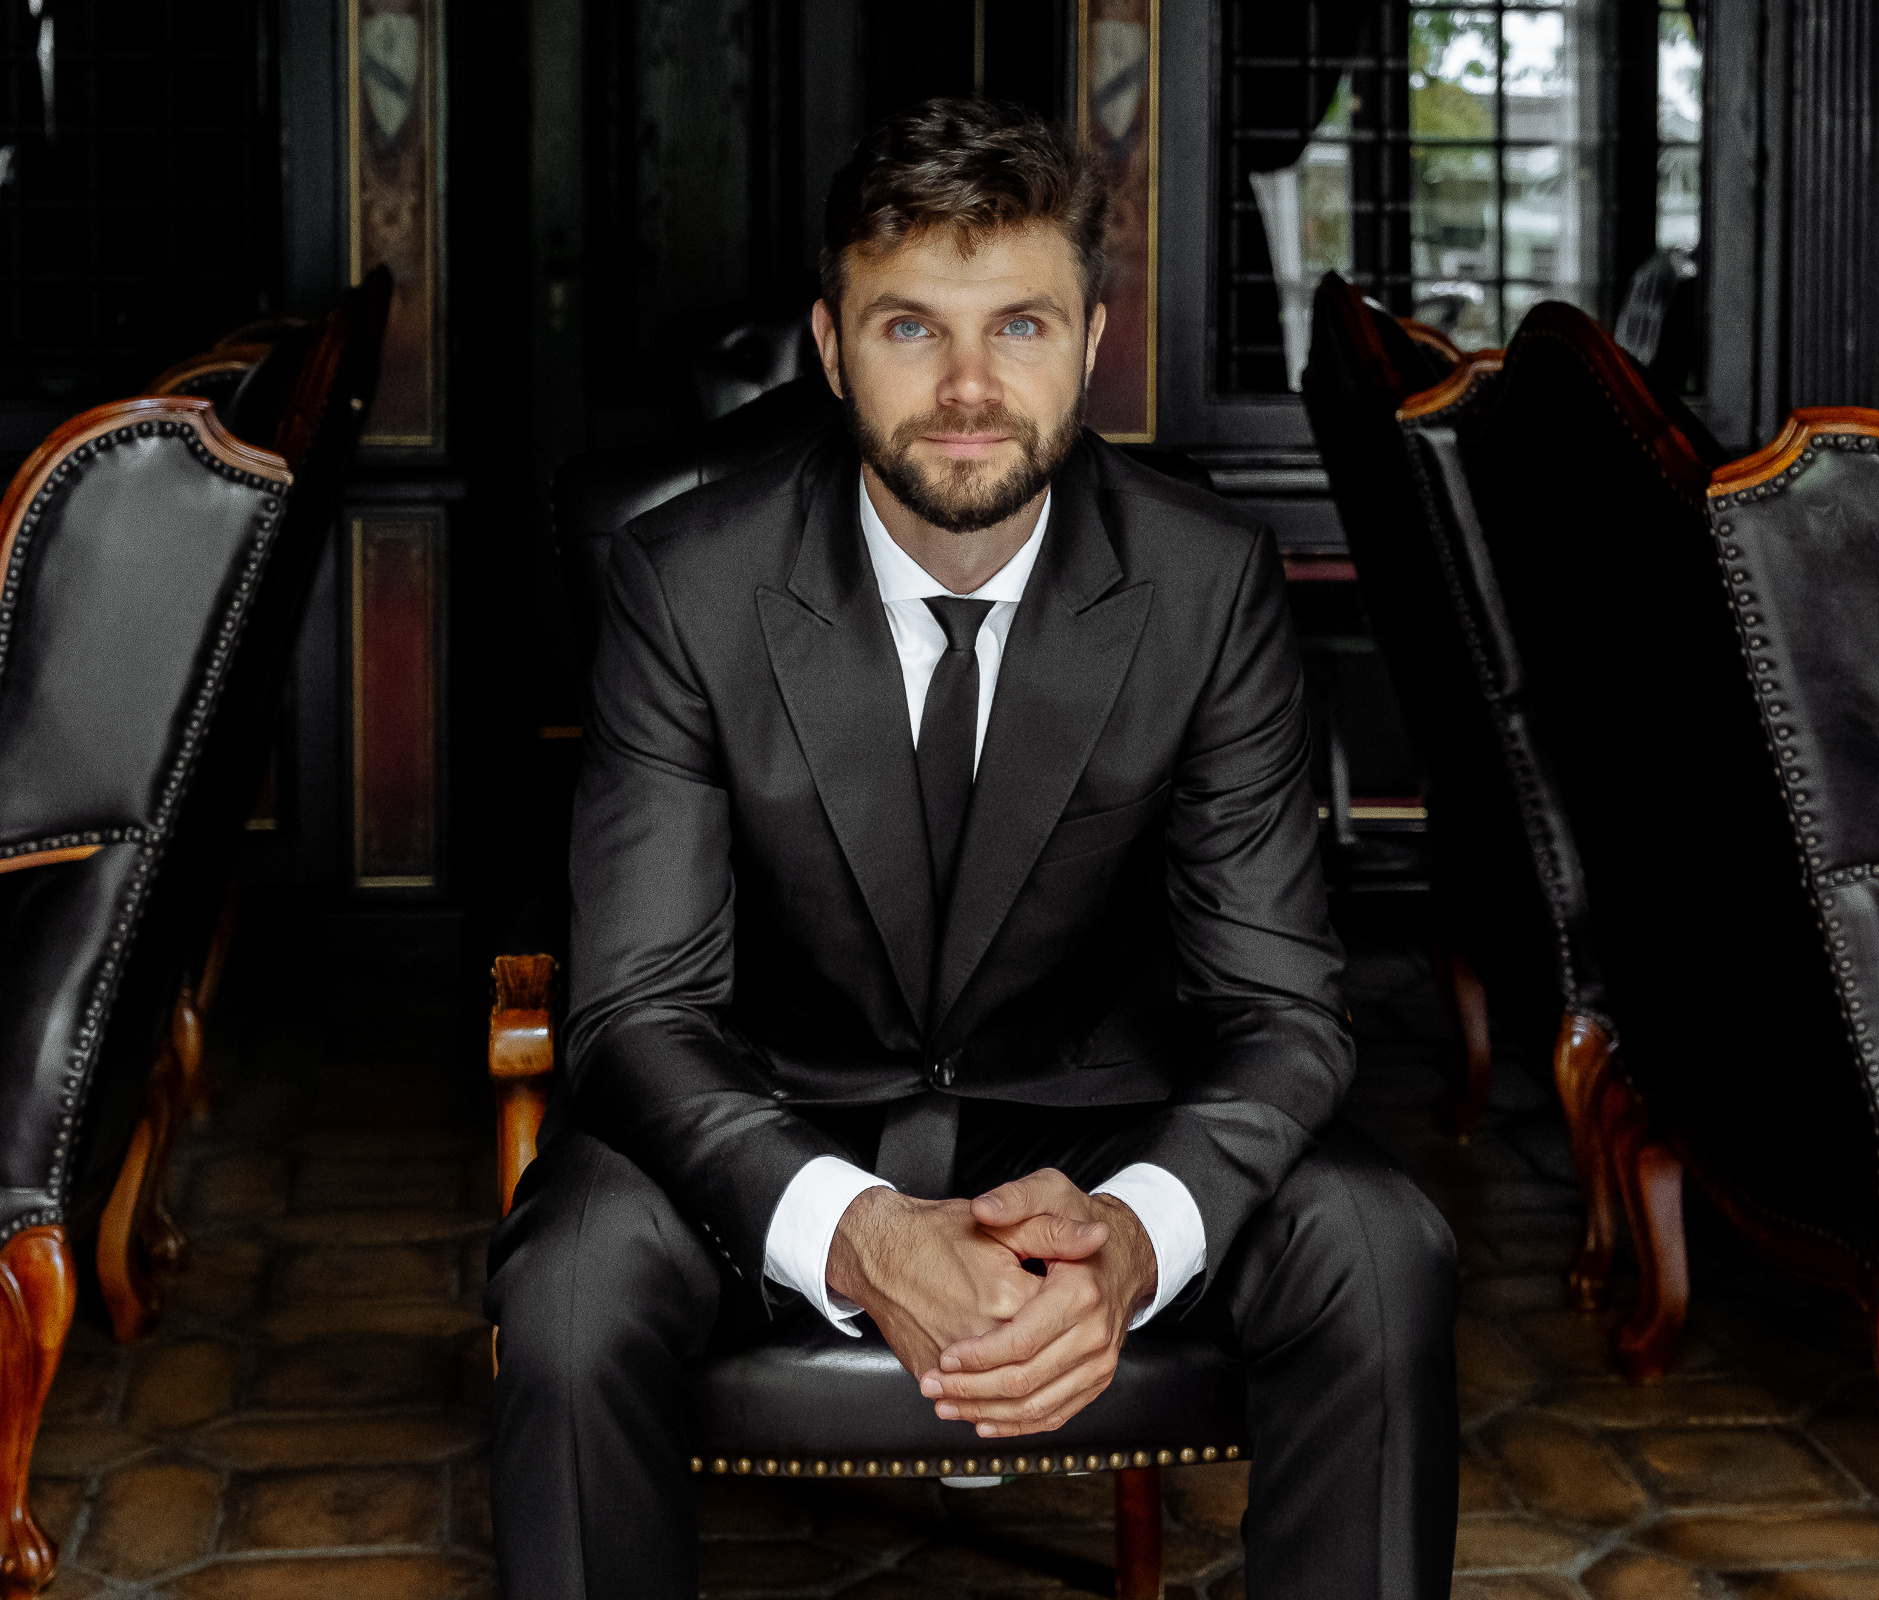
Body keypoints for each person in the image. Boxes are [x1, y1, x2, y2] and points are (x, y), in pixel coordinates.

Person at [485, 99, 1457, 1600]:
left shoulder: (1206, 586)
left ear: (1092, 342)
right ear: (828, 345)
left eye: (1017, 325)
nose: (964, 388)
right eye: (906, 329)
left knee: (1377, 1247)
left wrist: (1133, 1235)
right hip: (774, 1115)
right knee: (566, 1282)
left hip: (1096, 1126)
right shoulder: (684, 584)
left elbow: (1283, 1013)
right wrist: (862, 1232)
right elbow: (636, 1015)